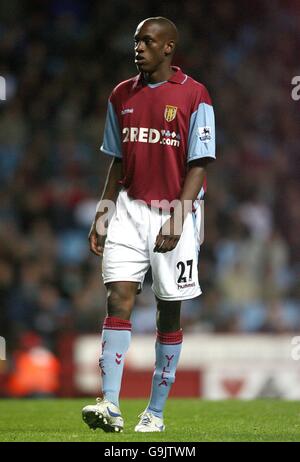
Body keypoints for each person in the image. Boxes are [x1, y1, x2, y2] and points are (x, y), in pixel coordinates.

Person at [82, 16, 215, 433]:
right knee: (118, 297)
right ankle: (111, 405)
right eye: (136, 41)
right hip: (129, 208)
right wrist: (103, 214)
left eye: (147, 41)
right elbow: (117, 161)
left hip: (177, 209)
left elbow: (200, 164)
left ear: (168, 47)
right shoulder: (121, 94)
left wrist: (178, 215)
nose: (138, 48)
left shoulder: (195, 95)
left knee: (168, 313)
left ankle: (154, 413)